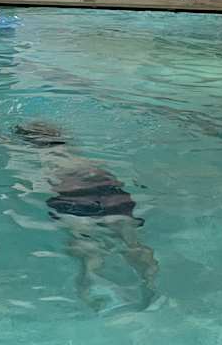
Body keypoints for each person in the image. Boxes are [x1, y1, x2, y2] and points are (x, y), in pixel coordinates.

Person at [16, 121, 158, 312]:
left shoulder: (38, 157)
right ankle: (150, 284)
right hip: (109, 191)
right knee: (133, 242)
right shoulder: (79, 154)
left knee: (89, 251)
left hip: (72, 195)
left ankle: (93, 293)